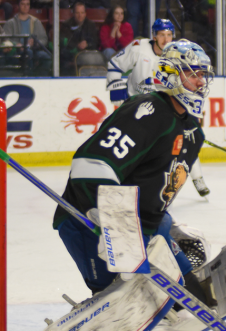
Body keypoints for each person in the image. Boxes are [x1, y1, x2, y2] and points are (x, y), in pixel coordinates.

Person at [52, 39, 216, 317]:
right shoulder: (147, 112)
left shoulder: (193, 131)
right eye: (192, 73)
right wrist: (113, 225)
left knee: (199, 305)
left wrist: (168, 224)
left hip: (145, 228)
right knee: (123, 310)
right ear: (172, 74)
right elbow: (90, 166)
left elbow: (154, 183)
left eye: (203, 75)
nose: (200, 82)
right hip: (87, 222)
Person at [106, 19, 212, 198]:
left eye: (169, 35)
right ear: (154, 36)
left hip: (163, 105)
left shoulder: (177, 55)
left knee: (184, 139)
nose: (165, 39)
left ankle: (197, 177)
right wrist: (118, 96)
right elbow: (115, 65)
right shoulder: (138, 48)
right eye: (162, 35)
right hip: (138, 106)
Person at [2, 0, 50, 76]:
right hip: (17, 52)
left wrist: (35, 43)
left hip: (33, 50)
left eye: (27, 4)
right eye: (23, 4)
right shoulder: (10, 23)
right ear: (18, 6)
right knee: (28, 54)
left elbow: (44, 39)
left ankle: (42, 79)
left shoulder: (36, 22)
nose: (25, 6)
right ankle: (28, 77)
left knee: (46, 57)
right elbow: (5, 40)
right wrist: (16, 44)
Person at [59, 1, 99, 76]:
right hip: (70, 55)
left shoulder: (91, 25)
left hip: (87, 54)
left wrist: (87, 44)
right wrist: (77, 46)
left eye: (82, 12)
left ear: (85, 14)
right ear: (73, 13)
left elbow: (95, 42)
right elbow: (64, 43)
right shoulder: (66, 25)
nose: (80, 15)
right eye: (77, 13)